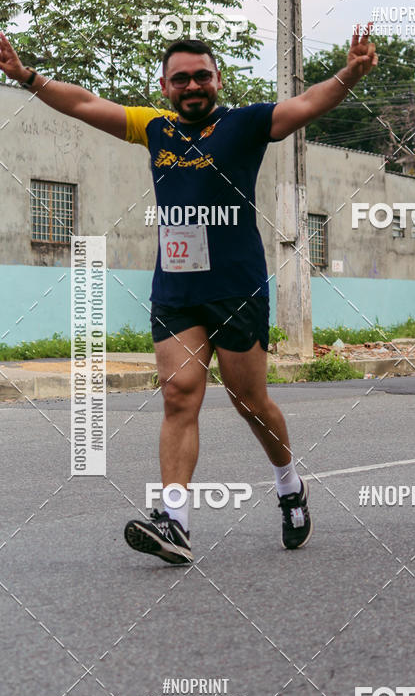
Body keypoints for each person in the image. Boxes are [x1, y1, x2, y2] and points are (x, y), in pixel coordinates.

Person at [0, 29, 377, 563]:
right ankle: (174, 521)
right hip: (177, 290)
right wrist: (27, 77)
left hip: (237, 288)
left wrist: (349, 75)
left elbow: (309, 102)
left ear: (217, 80)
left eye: (202, 75)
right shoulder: (154, 127)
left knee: (250, 402)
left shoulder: (245, 124)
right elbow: (85, 103)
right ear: (166, 86)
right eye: (181, 78)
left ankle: (290, 486)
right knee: (179, 394)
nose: (193, 85)